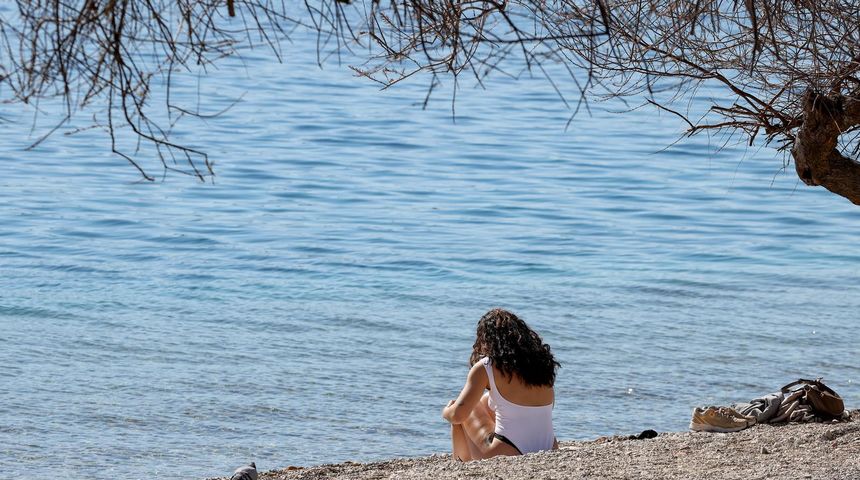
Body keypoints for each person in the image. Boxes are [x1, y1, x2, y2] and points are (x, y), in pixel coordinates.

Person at [441, 308, 560, 461]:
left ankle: (460, 462)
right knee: (487, 400)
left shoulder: (486, 366)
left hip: (507, 451)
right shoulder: (542, 366)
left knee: (459, 407)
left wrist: (447, 411)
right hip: (549, 448)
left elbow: (458, 415)